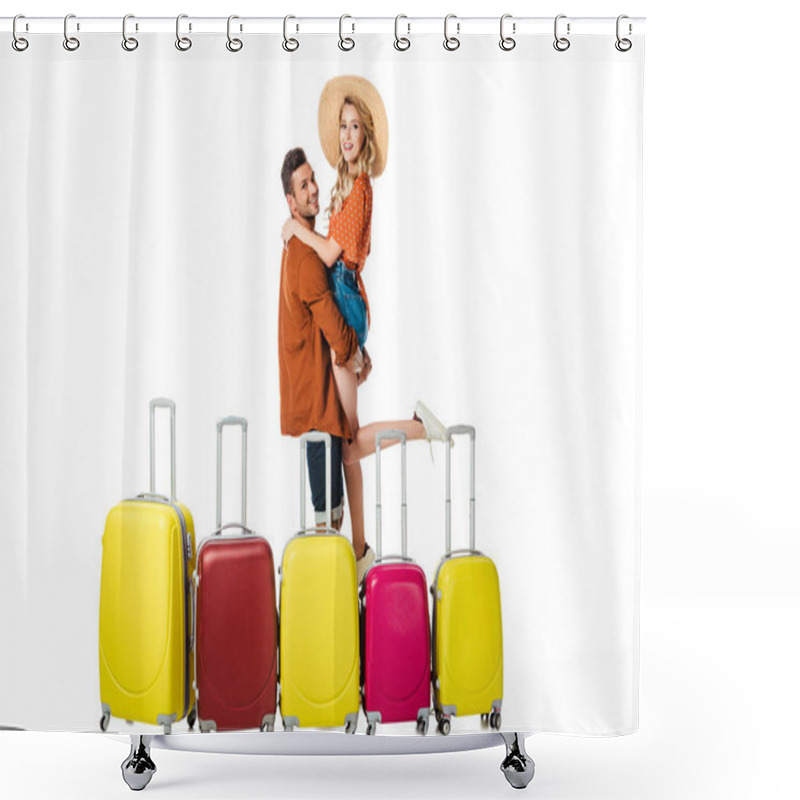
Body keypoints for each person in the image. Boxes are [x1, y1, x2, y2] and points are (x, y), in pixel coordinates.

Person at [279, 146, 445, 582]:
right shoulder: (303, 255)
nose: (313, 188)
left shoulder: (318, 233)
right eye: (303, 185)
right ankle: (357, 554)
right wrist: (354, 351)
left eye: (313, 179)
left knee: (344, 465)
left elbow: (333, 308)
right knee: (332, 498)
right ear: (291, 202)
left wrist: (353, 351)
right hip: (316, 405)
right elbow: (331, 320)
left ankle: (357, 554)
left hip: (319, 401)